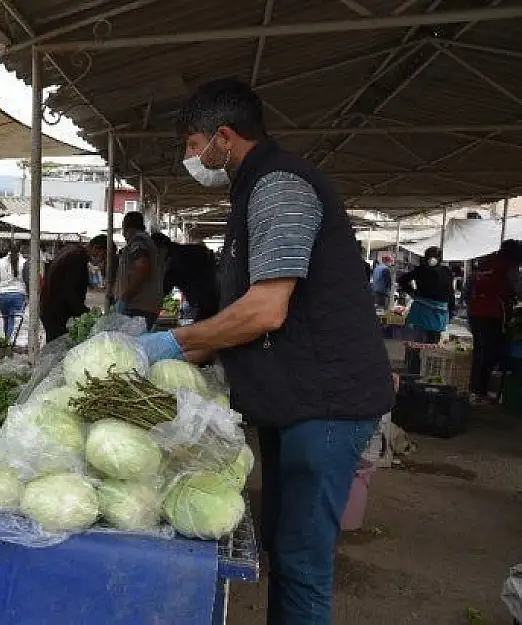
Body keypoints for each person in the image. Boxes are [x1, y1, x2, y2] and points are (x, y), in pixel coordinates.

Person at [138, 78, 394, 625]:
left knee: (302, 562)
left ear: (223, 138)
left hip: (325, 405)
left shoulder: (279, 186)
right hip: (294, 403)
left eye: (191, 145)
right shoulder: (254, 189)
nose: (190, 157)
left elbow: (265, 310)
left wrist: (176, 342)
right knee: (284, 544)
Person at [467, 240, 522, 404]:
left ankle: (474, 390)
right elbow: (518, 288)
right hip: (494, 314)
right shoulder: (507, 266)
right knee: (489, 354)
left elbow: (469, 287)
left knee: (479, 352)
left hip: (476, 312)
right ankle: (480, 391)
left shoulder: (485, 263)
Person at [40, 235, 107, 342]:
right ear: (97, 248)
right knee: (57, 348)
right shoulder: (77, 257)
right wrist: (87, 314)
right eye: (104, 256)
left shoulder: (72, 250)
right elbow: (70, 293)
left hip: (50, 308)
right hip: (57, 312)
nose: (102, 260)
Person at [115, 211, 169, 330]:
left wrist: (126, 295)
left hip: (138, 306)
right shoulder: (146, 241)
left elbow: (142, 267)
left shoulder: (138, 241)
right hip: (145, 305)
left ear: (126, 227)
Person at [157, 232, 220, 322]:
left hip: (203, 301)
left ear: (162, 248)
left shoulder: (173, 261)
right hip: (215, 295)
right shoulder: (188, 250)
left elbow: (164, 289)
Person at [398, 246, 455, 344]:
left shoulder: (446, 272)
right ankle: (414, 358)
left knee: (430, 343)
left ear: (439, 258)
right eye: (430, 256)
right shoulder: (421, 270)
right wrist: (412, 292)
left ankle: (419, 356)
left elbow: (450, 292)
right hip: (423, 310)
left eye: (434, 257)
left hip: (437, 313)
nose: (432, 259)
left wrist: (451, 310)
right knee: (418, 342)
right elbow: (402, 280)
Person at [0, 244, 28, 340]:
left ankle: (7, 341)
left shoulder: (0, 262)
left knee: (6, 320)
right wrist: (30, 296)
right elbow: (27, 280)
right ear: (20, 250)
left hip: (2, 295)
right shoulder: (24, 263)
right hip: (18, 295)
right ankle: (10, 344)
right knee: (13, 322)